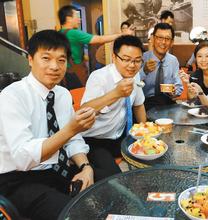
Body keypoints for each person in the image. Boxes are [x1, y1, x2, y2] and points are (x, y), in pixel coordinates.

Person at [0, 30, 101, 220]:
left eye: (61, 60)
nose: (54, 66)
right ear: (30, 59)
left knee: (106, 184)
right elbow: (23, 157)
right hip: (19, 179)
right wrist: (72, 129)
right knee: (77, 214)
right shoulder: (12, 96)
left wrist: (85, 167)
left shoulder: (62, 94)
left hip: (56, 169)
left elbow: (73, 139)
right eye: (46, 58)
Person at [81, 35, 147, 171]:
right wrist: (116, 93)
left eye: (137, 61)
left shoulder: (135, 75)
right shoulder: (99, 77)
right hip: (95, 140)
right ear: (114, 57)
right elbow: (84, 111)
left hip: (120, 136)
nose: (132, 65)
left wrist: (145, 134)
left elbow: (138, 105)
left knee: (153, 155)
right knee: (113, 177)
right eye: (126, 59)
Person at [58, 5, 134, 89]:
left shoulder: (59, 33)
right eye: (77, 17)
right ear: (68, 18)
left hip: (64, 73)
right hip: (74, 75)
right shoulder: (73, 33)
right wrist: (123, 34)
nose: (79, 20)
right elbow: (99, 39)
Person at [140, 23, 183, 110]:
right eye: (160, 38)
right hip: (145, 103)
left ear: (172, 42)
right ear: (153, 39)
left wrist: (174, 92)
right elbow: (132, 83)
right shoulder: (142, 58)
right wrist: (144, 71)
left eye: (167, 39)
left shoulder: (173, 60)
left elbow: (179, 87)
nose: (163, 42)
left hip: (167, 102)